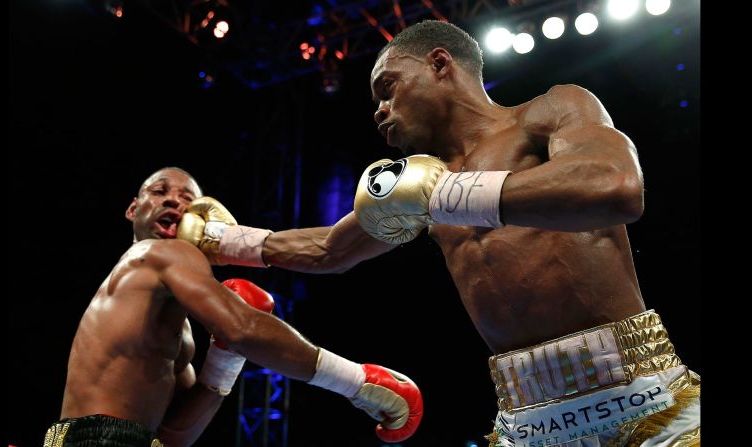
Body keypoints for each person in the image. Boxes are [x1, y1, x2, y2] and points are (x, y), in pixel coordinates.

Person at [179, 21, 700, 447]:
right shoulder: (416, 186)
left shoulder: (548, 112)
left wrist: (445, 195)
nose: (379, 110)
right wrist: (218, 240)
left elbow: (614, 186)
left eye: (388, 88)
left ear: (439, 64)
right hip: (528, 421)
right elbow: (327, 251)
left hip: (646, 399)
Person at [43, 167, 423, 447]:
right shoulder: (157, 252)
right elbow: (242, 328)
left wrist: (224, 359)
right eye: (159, 192)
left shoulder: (176, 330)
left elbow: (173, 437)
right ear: (132, 209)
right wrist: (357, 381)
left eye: (189, 198)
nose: (175, 199)